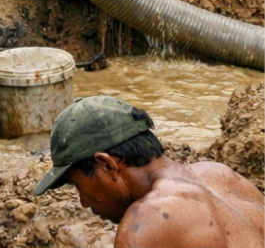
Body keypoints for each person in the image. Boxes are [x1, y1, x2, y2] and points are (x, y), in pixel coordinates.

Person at [34, 95, 265, 248]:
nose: (84, 202)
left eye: (77, 185)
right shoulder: (222, 175)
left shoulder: (146, 223)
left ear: (107, 164)